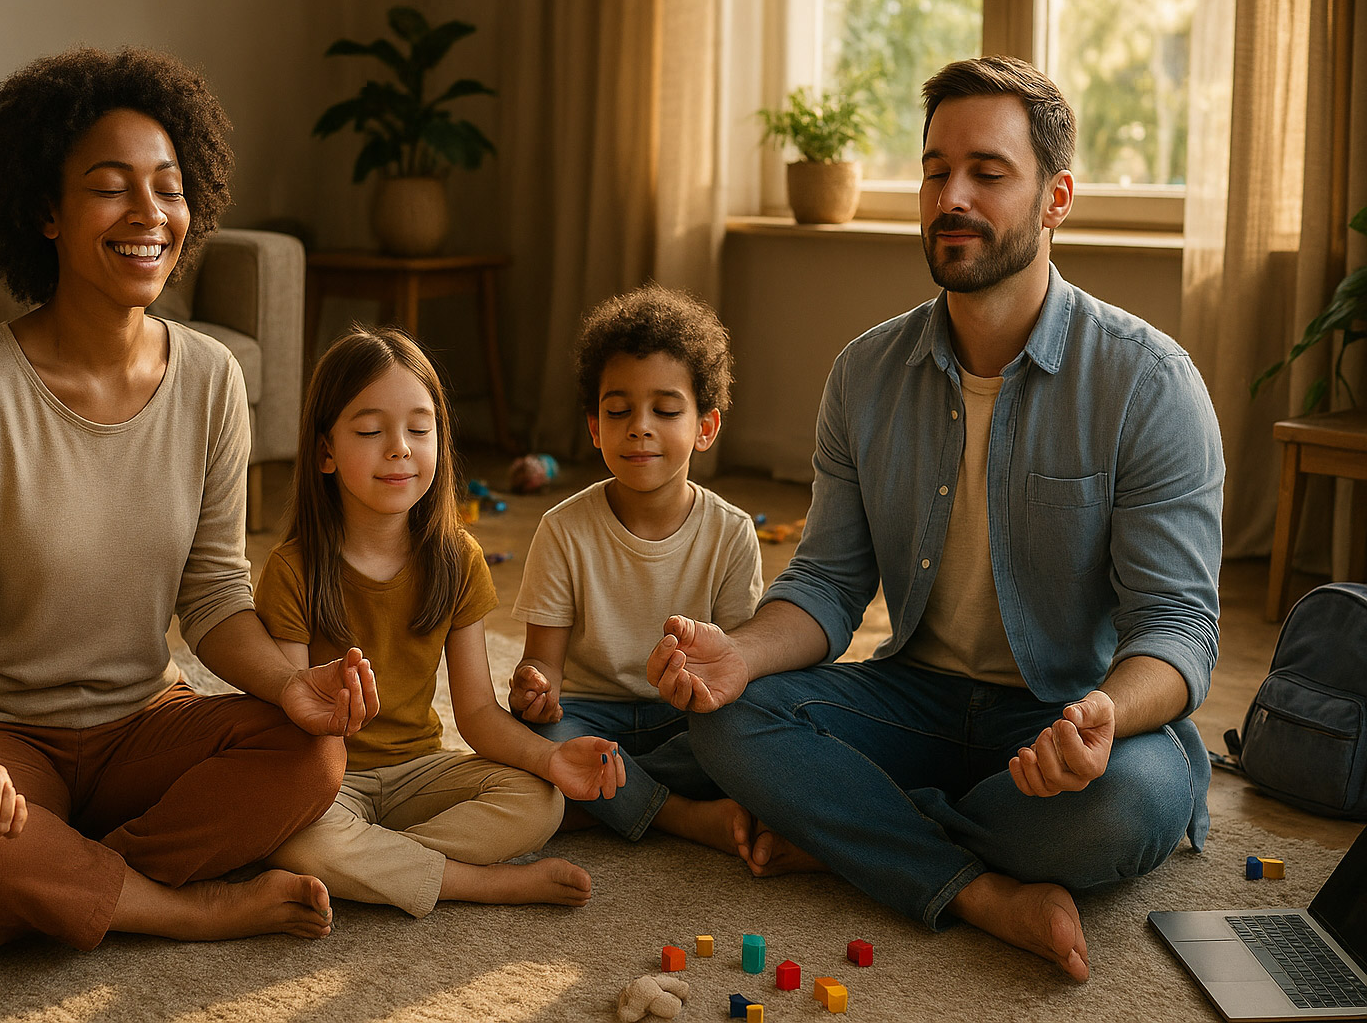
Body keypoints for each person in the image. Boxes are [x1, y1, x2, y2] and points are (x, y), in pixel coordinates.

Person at [646, 56, 1223, 983]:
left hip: (1067, 719)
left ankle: (855, 826)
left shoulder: (1150, 385)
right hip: (913, 696)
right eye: (934, 170)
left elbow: (1180, 626)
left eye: (988, 174)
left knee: (1125, 808)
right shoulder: (864, 374)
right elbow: (832, 584)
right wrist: (739, 653)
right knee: (726, 719)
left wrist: (1107, 715)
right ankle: (977, 887)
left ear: (1056, 198)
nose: (951, 196)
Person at [0, 48, 378, 982]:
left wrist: (286, 684)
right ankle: (188, 911)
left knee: (311, 754)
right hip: (8, 734)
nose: (150, 215)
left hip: (143, 725)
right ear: (46, 213)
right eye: (112, 189)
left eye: (169, 188)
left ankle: (42, 899)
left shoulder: (213, 377)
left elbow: (217, 594)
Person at [255, 326, 624, 918]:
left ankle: (382, 868)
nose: (399, 447)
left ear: (440, 444)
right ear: (325, 450)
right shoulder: (292, 569)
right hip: (327, 781)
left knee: (539, 799)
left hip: (419, 772)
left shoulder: (457, 560)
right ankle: (475, 882)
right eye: (371, 431)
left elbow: (476, 713)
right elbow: (289, 718)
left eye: (419, 430)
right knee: (299, 835)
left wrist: (549, 759)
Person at [510, 284, 763, 852]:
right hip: (589, 718)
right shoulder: (563, 529)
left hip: (685, 724)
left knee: (754, 736)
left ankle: (605, 803)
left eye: (666, 410)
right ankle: (684, 818)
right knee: (535, 741)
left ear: (705, 427)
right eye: (618, 411)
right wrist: (535, 688)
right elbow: (541, 665)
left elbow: (739, 672)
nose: (639, 427)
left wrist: (695, 680)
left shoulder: (731, 532)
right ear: (595, 428)